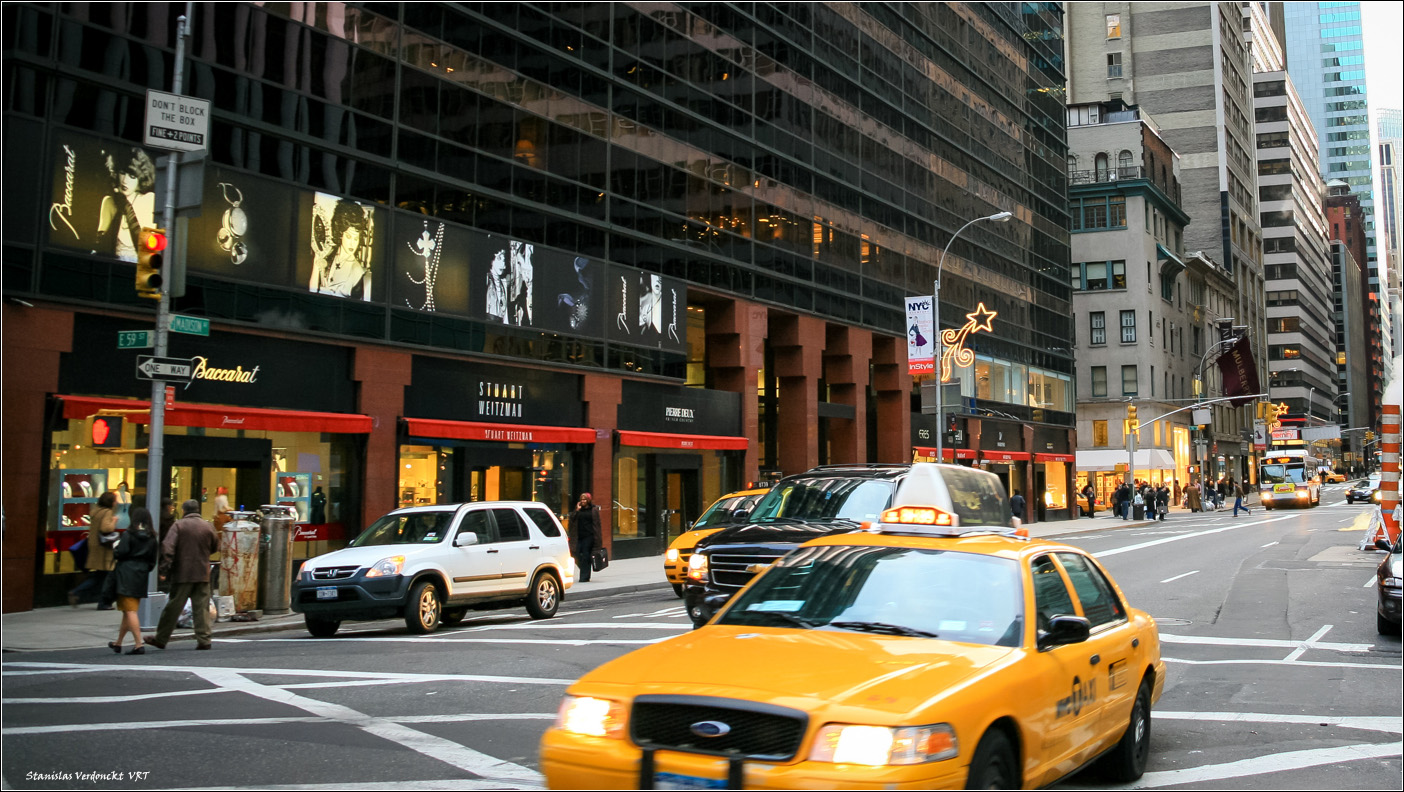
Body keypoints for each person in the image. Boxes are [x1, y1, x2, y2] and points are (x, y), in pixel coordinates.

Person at [145, 500, 219, 651]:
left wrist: (164, 570)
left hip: (183, 572)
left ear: (184, 510)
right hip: (202, 572)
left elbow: (168, 548)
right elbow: (215, 546)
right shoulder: (207, 526)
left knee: (173, 607)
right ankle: (204, 639)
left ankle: (161, 638)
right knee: (201, 608)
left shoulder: (178, 525)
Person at [107, 506, 158, 655]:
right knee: (128, 610)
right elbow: (152, 561)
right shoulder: (152, 537)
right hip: (141, 574)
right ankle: (118, 642)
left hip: (126, 573)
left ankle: (138, 644)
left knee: (130, 610)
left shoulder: (129, 535)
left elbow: (121, 553)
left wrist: (115, 549)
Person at [95, 147, 156, 262]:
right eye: (123, 173)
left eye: (132, 176)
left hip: (139, 271)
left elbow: (147, 248)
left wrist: (126, 207)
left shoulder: (149, 200)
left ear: (140, 179)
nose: (125, 181)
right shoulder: (109, 202)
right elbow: (100, 244)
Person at [310, 199, 372, 300]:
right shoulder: (328, 254)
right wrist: (316, 262)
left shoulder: (357, 272)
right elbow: (311, 292)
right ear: (340, 234)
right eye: (348, 236)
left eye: (356, 238)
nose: (352, 243)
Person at [68, 491, 119, 609]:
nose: (116, 503)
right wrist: (114, 521)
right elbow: (106, 528)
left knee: (98, 577)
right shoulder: (107, 512)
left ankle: (76, 592)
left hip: (95, 547)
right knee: (106, 577)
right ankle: (103, 603)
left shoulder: (96, 511)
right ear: (110, 502)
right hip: (104, 550)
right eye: (115, 500)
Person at [568, 493, 602, 583]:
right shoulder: (578, 510)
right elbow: (571, 520)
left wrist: (598, 538)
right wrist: (577, 510)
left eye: (585, 499)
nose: (583, 501)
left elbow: (597, 525)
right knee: (576, 554)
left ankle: (584, 577)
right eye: (582, 499)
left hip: (589, 536)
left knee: (586, 555)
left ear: (588, 500)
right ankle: (585, 569)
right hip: (578, 536)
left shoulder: (593, 510)